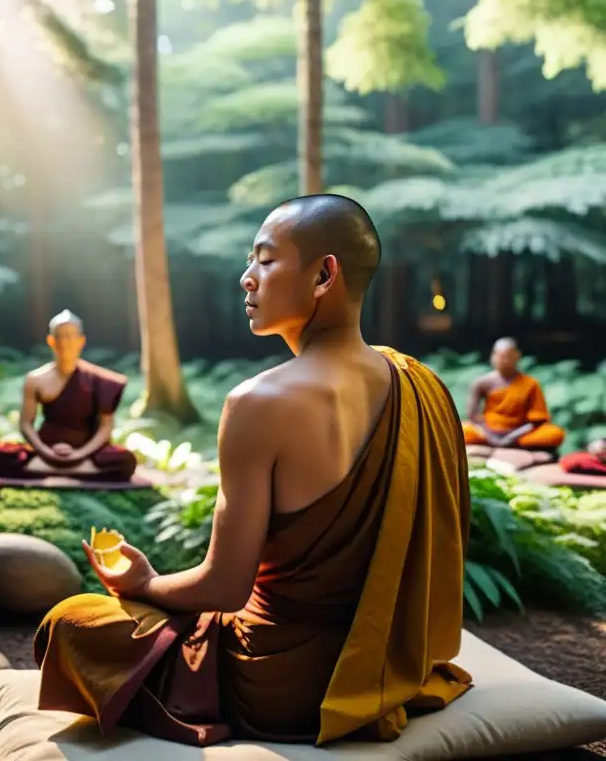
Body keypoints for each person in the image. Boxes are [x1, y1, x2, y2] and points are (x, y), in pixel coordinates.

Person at [33, 195, 472, 746]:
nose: (246, 278)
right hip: (388, 660)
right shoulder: (422, 384)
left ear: (323, 274)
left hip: (281, 683)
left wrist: (146, 582)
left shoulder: (258, 402)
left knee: (74, 622)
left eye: (264, 260)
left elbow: (225, 585)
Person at [0, 309, 138, 482]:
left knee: (124, 461)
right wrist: (46, 452)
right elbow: (26, 424)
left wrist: (79, 454)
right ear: (51, 341)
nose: (65, 342)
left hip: (86, 449)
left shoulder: (99, 379)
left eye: (70, 336)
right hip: (47, 447)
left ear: (81, 341)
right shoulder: (36, 379)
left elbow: (105, 427)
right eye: (60, 336)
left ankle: (53, 468)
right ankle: (75, 470)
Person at [461, 338, 566, 451]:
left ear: (517, 356)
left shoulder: (530, 383)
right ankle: (496, 443)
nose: (504, 360)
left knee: (555, 433)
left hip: (520, 432)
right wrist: (490, 435)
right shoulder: (481, 382)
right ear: (492, 357)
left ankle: (513, 444)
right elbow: (472, 416)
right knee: (462, 430)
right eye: (500, 356)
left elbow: (537, 420)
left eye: (508, 356)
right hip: (489, 430)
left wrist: (512, 437)